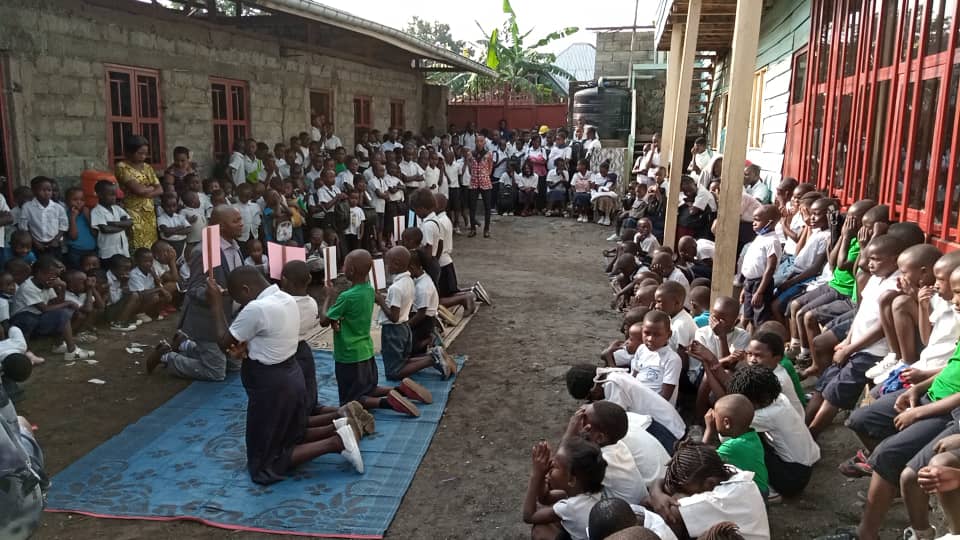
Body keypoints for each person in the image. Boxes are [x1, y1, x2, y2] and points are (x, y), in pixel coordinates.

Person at [204, 266, 365, 483]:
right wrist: (245, 348)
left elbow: (224, 341)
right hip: (291, 375)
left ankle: (335, 442)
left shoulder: (257, 308)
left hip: (272, 386)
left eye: (238, 299)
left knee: (265, 463)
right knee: (291, 433)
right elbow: (268, 337)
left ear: (245, 289)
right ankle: (336, 426)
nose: (240, 305)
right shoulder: (286, 298)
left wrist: (215, 305)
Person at [807, 234, 905, 436]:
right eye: (869, 258)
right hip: (855, 345)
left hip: (873, 352)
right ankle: (802, 427)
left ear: (894, 259)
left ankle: (811, 434)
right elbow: (861, 313)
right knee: (824, 384)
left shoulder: (895, 285)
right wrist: (847, 340)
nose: (869, 264)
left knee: (835, 393)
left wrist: (851, 348)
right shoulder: (876, 279)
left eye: (876, 259)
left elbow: (881, 328)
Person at [317, 249, 428, 415]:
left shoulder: (345, 297)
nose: (343, 269)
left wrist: (328, 298)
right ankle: (400, 391)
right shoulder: (370, 290)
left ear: (351, 271)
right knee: (370, 388)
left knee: (352, 399)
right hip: (366, 352)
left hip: (349, 355)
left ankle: (388, 403)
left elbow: (324, 321)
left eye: (344, 266)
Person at [145, 206, 245, 379]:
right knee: (216, 372)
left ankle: (185, 345)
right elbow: (193, 289)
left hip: (229, 320)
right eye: (236, 221)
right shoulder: (204, 252)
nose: (242, 224)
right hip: (207, 322)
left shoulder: (234, 246)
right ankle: (166, 357)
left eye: (240, 219)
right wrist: (211, 293)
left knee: (235, 365)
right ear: (221, 227)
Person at [728, 363, 820, 498]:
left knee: (738, 438)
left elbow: (729, 420)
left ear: (760, 400)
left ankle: (768, 489)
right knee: (753, 436)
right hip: (805, 467)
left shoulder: (767, 415)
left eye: (745, 401)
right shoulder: (779, 398)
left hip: (791, 478)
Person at [648, 441, 770, 540]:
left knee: (670, 520)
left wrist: (656, 492)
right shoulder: (729, 471)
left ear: (709, 483)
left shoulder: (719, 499)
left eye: (688, 491)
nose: (687, 495)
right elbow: (666, 487)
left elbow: (667, 510)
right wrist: (657, 491)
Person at [375, 247, 454, 383]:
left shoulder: (396, 288)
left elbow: (394, 317)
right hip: (404, 326)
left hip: (394, 330)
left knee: (394, 371)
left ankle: (431, 359)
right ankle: (434, 356)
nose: (386, 267)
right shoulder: (409, 281)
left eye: (388, 263)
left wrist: (381, 302)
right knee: (403, 360)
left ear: (397, 264)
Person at [565, 365, 686, 453]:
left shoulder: (612, 384)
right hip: (668, 423)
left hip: (669, 431)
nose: (594, 401)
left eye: (591, 397)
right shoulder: (611, 374)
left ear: (594, 387)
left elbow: (613, 424)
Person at [522, 437, 607, 540]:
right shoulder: (591, 493)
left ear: (572, 480)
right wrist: (542, 477)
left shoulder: (572, 507)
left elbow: (529, 516)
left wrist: (535, 476)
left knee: (540, 530)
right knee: (551, 516)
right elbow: (545, 498)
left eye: (555, 466)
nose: (550, 467)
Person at [10, 256, 93, 360]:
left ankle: (59, 345)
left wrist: (62, 287)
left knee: (64, 312)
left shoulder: (46, 285)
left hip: (37, 318)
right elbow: (44, 308)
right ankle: (71, 351)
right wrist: (68, 302)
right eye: (53, 275)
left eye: (57, 276)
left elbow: (56, 303)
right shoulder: (28, 287)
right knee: (57, 313)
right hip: (21, 322)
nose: (56, 279)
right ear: (40, 273)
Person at [703, 393, 768, 495]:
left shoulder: (732, 447)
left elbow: (700, 460)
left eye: (715, 417)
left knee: (706, 481)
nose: (712, 420)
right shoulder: (752, 435)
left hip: (756, 493)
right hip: (761, 487)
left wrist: (709, 430)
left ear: (726, 423)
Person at [115, 135, 163, 249]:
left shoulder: (147, 167)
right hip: (133, 212)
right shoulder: (122, 167)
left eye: (145, 153)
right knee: (136, 245)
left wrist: (146, 191)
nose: (143, 156)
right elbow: (139, 190)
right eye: (140, 153)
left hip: (149, 213)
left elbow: (160, 189)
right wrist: (151, 188)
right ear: (130, 152)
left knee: (151, 245)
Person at [739, 205, 782, 331]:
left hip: (761, 284)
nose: (753, 223)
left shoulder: (772, 241)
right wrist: (744, 288)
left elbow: (770, 268)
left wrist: (760, 291)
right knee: (747, 315)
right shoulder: (760, 237)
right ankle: (743, 342)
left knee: (759, 319)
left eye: (757, 220)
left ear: (769, 222)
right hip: (750, 282)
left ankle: (757, 343)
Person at [630, 310, 682, 405]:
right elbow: (634, 376)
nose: (650, 339)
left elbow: (665, 396)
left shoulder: (672, 359)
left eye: (657, 335)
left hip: (656, 408)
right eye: (647, 333)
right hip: (636, 399)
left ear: (669, 335)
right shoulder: (641, 349)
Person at [18, 176, 67, 259]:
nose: (47, 193)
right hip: (36, 244)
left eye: (49, 190)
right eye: (43, 190)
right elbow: (24, 227)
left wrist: (56, 240)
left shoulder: (58, 208)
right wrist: (35, 242)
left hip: (54, 244)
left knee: (55, 264)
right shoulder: (27, 207)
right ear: (34, 191)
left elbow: (64, 225)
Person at [468, 135, 494, 238]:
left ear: (484, 143)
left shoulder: (488, 154)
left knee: (487, 207)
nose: (479, 143)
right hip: (474, 182)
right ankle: (473, 229)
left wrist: (486, 175)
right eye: (477, 141)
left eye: (481, 141)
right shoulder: (471, 154)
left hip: (485, 182)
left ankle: (486, 229)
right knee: (472, 207)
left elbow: (491, 167)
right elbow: (470, 167)